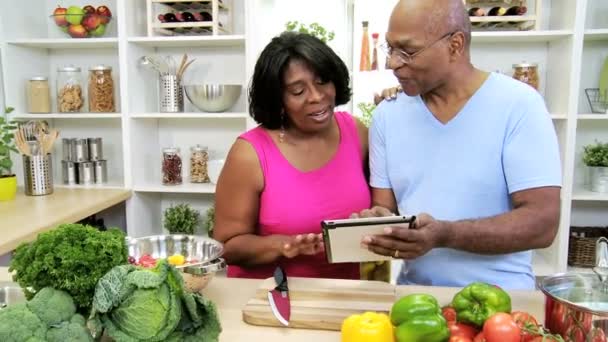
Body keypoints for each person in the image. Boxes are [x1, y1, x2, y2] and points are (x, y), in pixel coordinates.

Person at [356, 0, 562, 290]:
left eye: (408, 51)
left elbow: (542, 224)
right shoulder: (387, 116)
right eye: (390, 48)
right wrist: (378, 224)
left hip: (502, 303)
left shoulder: (519, 105)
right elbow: (385, 209)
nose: (393, 63)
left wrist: (444, 234)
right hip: (415, 302)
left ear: (455, 44)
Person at [213, 31, 371, 279]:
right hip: (271, 298)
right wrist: (283, 246)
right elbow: (226, 246)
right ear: (278, 100)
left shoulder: (356, 132)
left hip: (346, 296)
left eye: (322, 82)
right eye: (298, 91)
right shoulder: (250, 153)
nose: (317, 97)